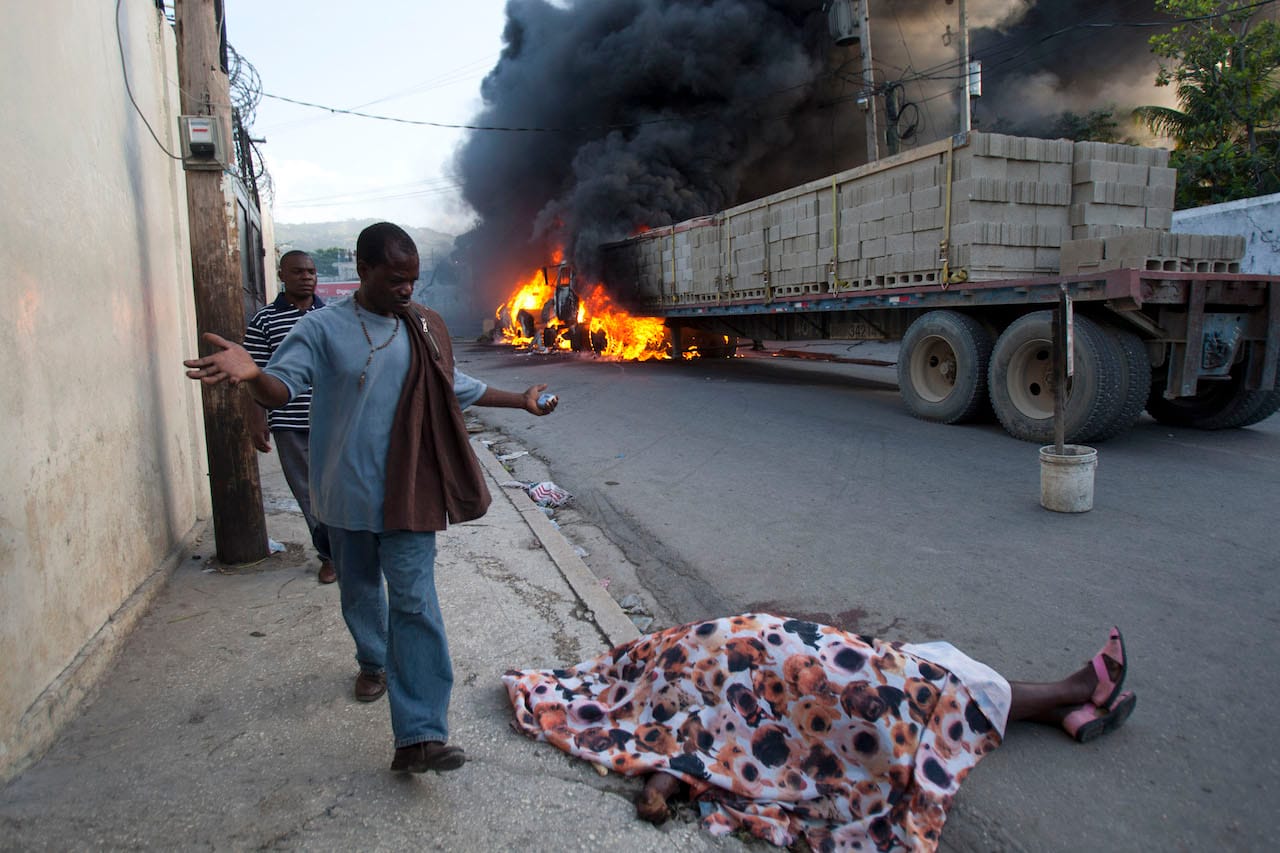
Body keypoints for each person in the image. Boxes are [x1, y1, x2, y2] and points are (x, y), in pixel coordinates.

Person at [186, 222, 557, 774]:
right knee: (360, 593)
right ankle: (372, 661)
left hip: (410, 494)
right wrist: (253, 378)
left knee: (415, 604)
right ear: (362, 271)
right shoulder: (320, 329)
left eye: (412, 280)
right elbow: (282, 387)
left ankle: (420, 735)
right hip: (342, 496)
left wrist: (519, 399)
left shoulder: (423, 327)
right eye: (394, 280)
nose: (407, 291)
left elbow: (455, 384)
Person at [503, 613, 1133, 851]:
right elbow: (684, 756)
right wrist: (660, 792)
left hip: (792, 659)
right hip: (803, 685)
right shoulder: (654, 697)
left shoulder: (654, 677)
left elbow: (681, 755)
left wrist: (662, 789)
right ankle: (1075, 694)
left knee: (911, 676)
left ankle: (1061, 705)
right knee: (908, 694)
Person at [243, 250, 335, 583]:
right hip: (289, 422)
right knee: (308, 494)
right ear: (282, 275)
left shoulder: (334, 316)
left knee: (340, 489)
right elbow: (254, 373)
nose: (307, 277)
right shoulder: (264, 320)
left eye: (311, 271)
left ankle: (353, 550)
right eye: (298, 271)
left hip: (335, 420)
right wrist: (257, 419)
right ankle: (329, 556)